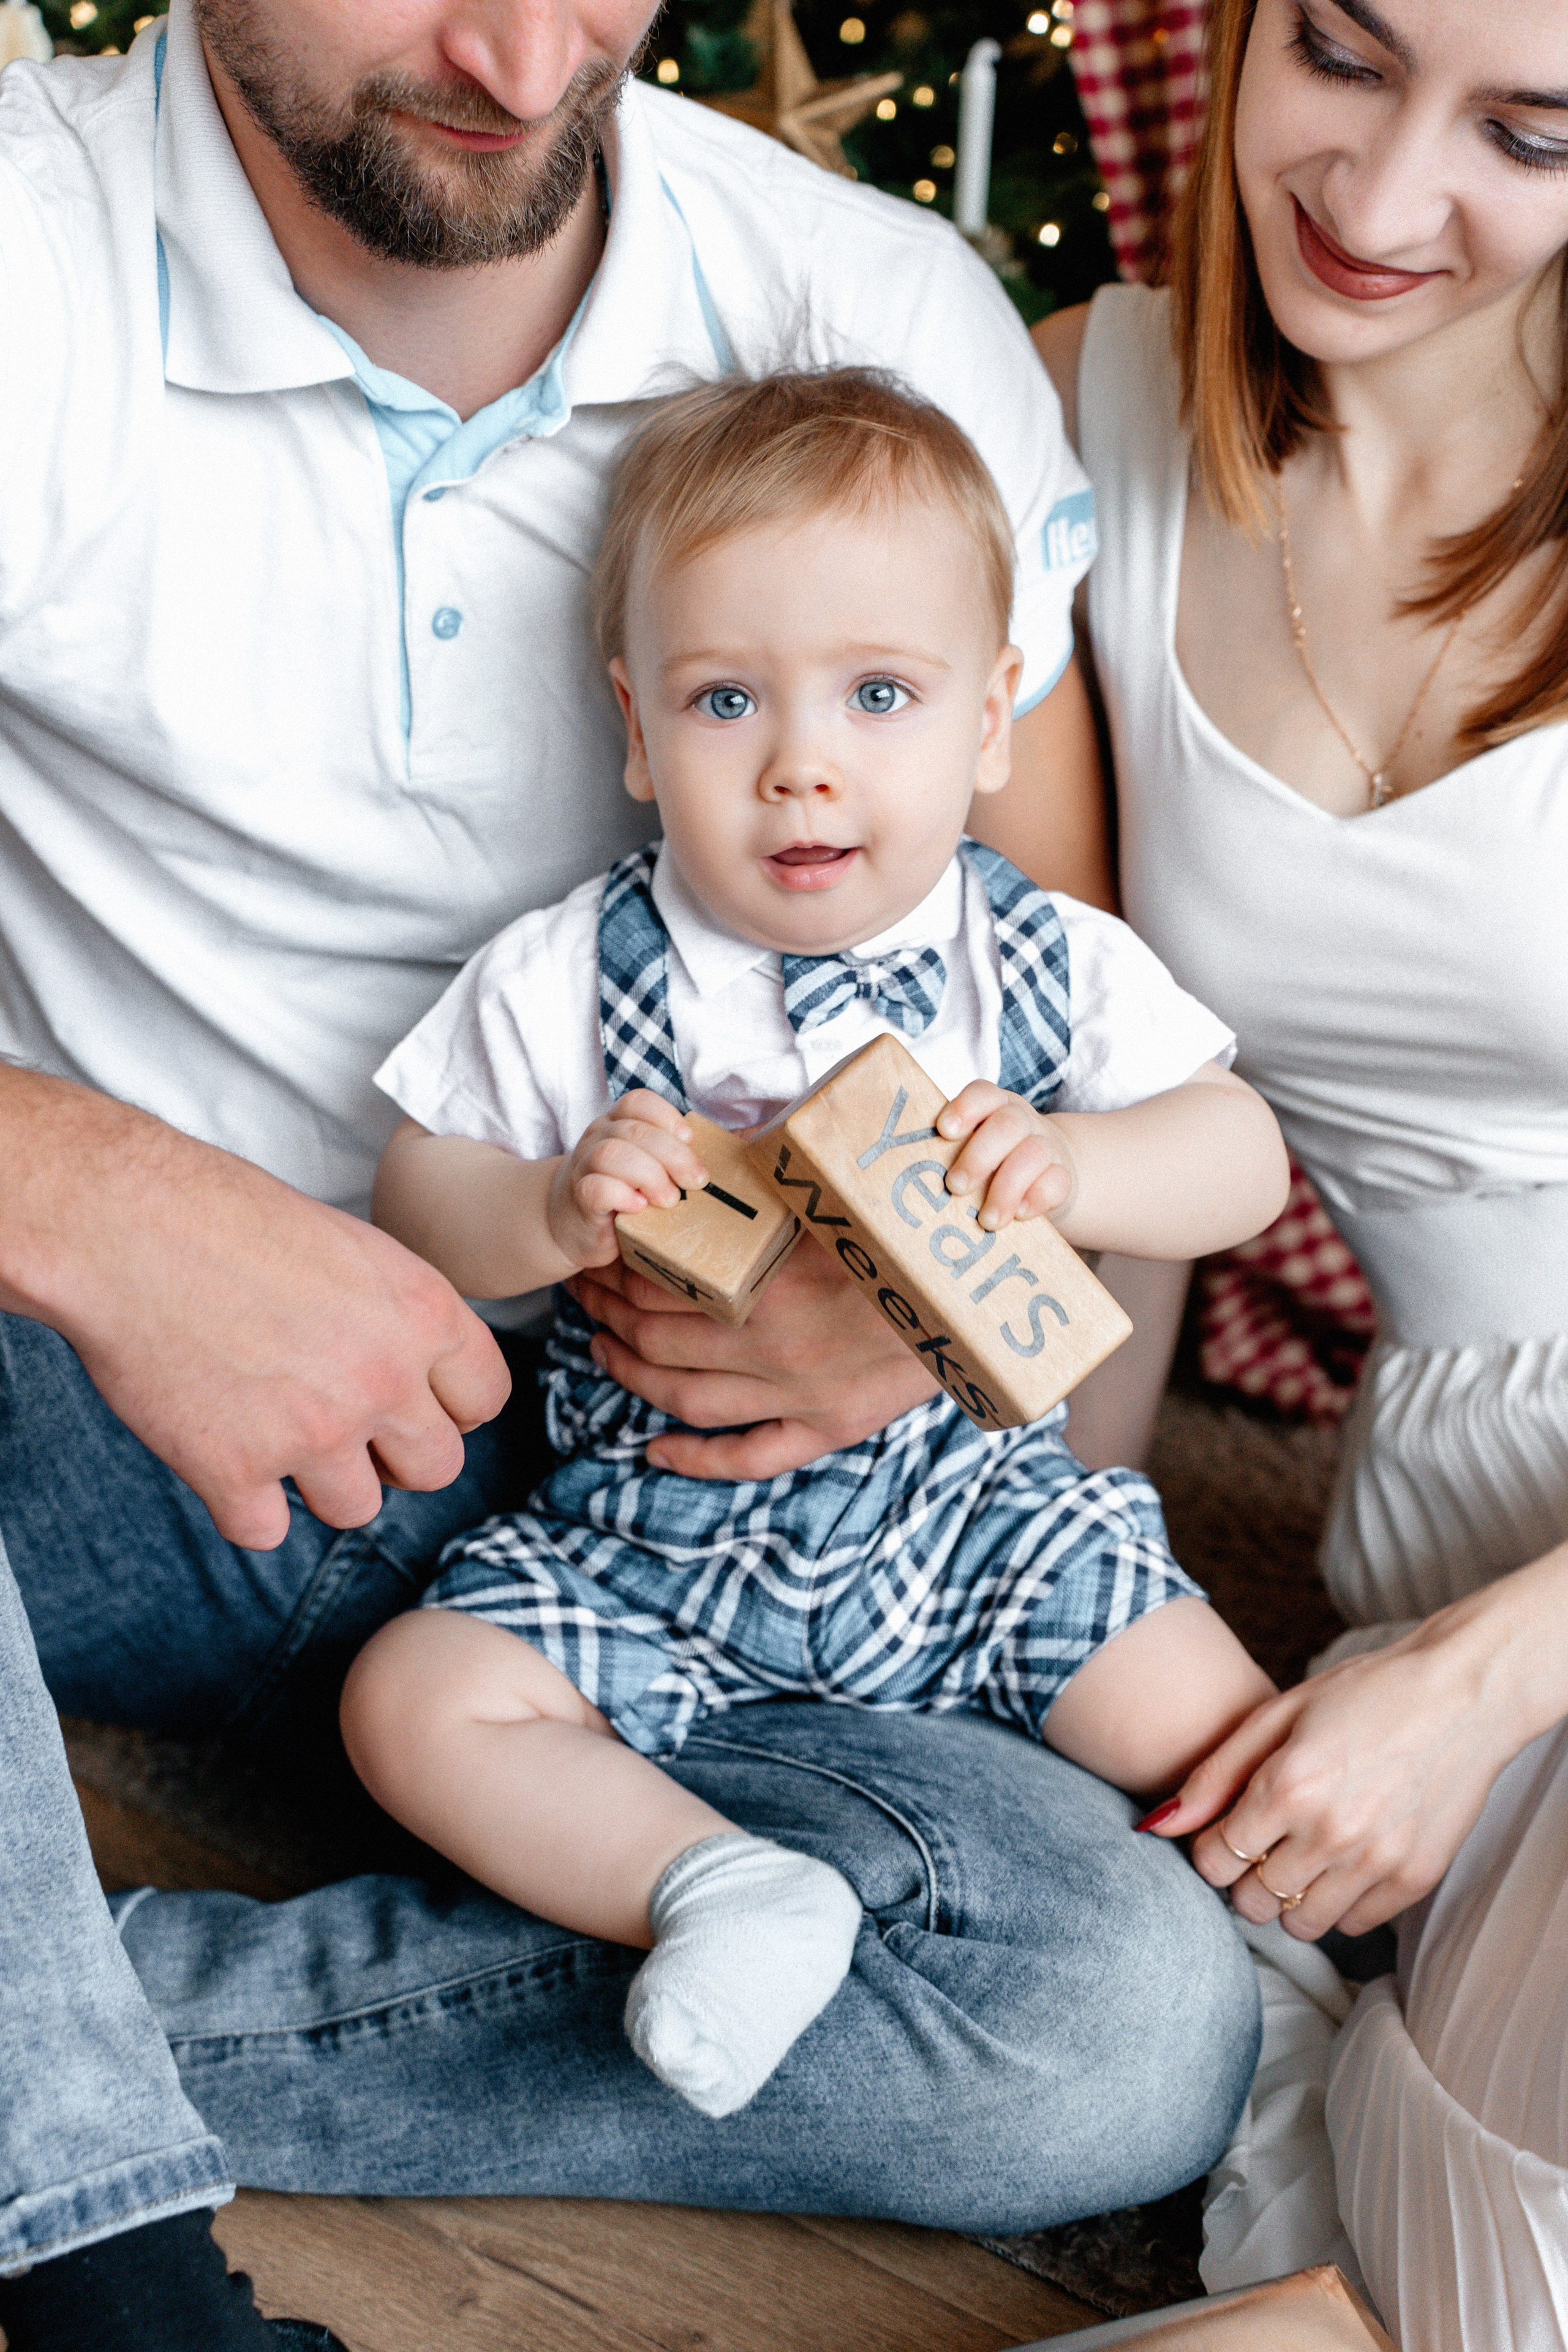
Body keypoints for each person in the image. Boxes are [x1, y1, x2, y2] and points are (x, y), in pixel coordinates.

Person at [0, 1, 1267, 2342]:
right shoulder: (27, 240)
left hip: (776, 1515)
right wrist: (95, 1197)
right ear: (638, 710)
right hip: (134, 1412)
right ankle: (97, 2232)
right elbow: (439, 1171)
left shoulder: (863, 304)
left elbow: (1123, 1079)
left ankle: (86, 2039)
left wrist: (949, 1346)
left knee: (1122, 2027)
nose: (509, 48)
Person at [341, 366, 1289, 2122]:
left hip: (977, 1513)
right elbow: (419, 1191)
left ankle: (1306, 1966)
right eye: (724, 700)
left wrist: (1080, 1168)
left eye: (879, 693)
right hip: (651, 1543)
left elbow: (1242, 1159)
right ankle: (717, 1888)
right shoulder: (573, 971)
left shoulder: (1037, 964)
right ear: (635, 730)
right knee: (418, 1698)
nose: (803, 764)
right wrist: (548, 1207)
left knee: (1226, 1733)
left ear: (993, 717)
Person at [1034, 0, 1568, 2340]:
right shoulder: (1084, 411)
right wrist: (1054, 1564)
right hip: (1460, 1482)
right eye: (1342, 59)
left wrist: (1480, 1682)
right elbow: (1108, 1096)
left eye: (1531, 132)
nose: (1374, 200)